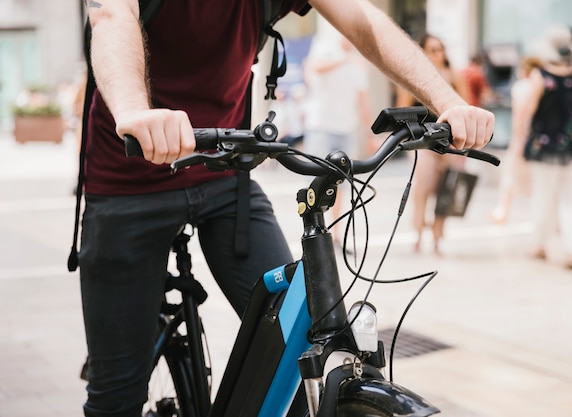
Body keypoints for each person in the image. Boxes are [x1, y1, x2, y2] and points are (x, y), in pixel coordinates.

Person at [79, 1, 495, 416]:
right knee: (116, 396)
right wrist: (134, 109)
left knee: (296, 352)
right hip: (127, 182)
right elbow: (111, 15)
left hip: (226, 177)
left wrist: (446, 101)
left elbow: (361, 19)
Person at [518, 25, 572, 269]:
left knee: (543, 195)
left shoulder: (540, 76)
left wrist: (521, 140)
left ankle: (540, 244)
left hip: (545, 144)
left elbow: (528, 110)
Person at [396, 33, 472, 256]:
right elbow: (403, 110)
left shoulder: (454, 76)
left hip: (450, 142)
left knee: (446, 188)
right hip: (423, 142)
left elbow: (466, 106)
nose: (439, 54)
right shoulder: (413, 78)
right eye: (433, 50)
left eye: (441, 49)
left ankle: (438, 236)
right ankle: (418, 233)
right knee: (423, 186)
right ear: (424, 53)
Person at [302, 28, 374, 240]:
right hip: (320, 126)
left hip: (346, 129)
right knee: (315, 180)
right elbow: (315, 67)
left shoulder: (358, 64)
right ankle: (311, 230)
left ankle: (335, 234)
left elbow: (363, 102)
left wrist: (371, 135)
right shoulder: (325, 47)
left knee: (340, 183)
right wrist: (346, 60)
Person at [489, 56, 542, 224]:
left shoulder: (521, 87)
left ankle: (502, 210)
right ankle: (539, 216)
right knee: (537, 178)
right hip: (538, 138)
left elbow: (519, 114)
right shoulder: (540, 85)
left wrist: (517, 139)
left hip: (522, 137)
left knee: (510, 174)